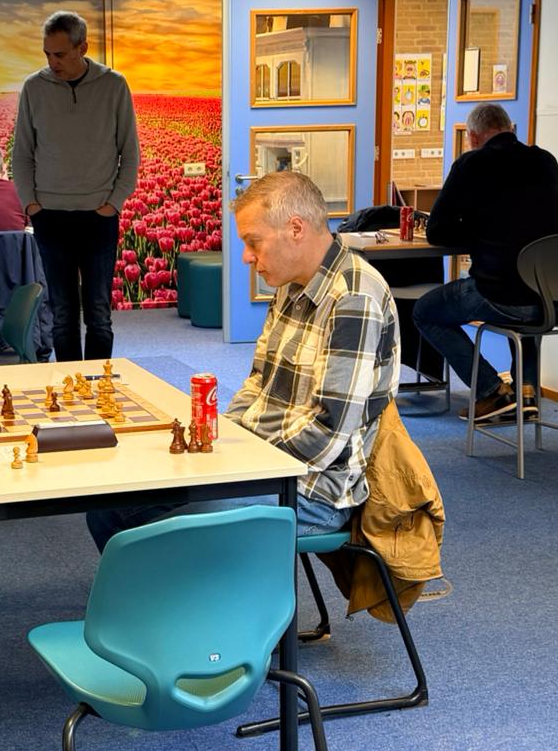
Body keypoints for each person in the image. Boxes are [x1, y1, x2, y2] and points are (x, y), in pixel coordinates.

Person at [88, 171, 399, 550]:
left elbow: (326, 435)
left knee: (160, 536)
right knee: (110, 511)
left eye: (254, 242)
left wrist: (239, 463)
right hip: (260, 462)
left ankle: (185, 584)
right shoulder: (290, 284)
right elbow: (256, 385)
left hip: (311, 490)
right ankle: (176, 585)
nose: (246, 257)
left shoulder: (353, 299)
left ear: (295, 229)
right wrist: (220, 441)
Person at [412, 103, 558, 422]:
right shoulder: (545, 160)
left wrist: (477, 230)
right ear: (510, 129)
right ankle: (526, 394)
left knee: (425, 312)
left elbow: (437, 231)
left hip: (503, 296)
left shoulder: (471, 164)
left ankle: (491, 391)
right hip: (555, 299)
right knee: (529, 294)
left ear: (472, 137)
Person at [14, 11, 139, 362]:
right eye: (47, 54)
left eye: (60, 54)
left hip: (98, 217)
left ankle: (98, 385)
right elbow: (22, 154)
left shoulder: (113, 85)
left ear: (82, 48)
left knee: (98, 313)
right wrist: (31, 204)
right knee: (63, 313)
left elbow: (129, 153)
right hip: (50, 217)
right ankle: (70, 385)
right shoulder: (34, 88)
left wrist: (113, 203)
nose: (52, 62)